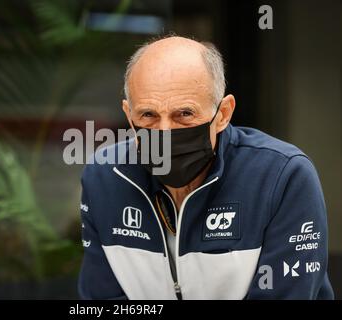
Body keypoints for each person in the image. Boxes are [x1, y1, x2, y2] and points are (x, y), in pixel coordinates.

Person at [78, 36, 334, 299]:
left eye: (184, 114)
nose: (165, 132)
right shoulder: (104, 177)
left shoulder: (282, 177)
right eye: (148, 115)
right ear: (129, 117)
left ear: (223, 114)